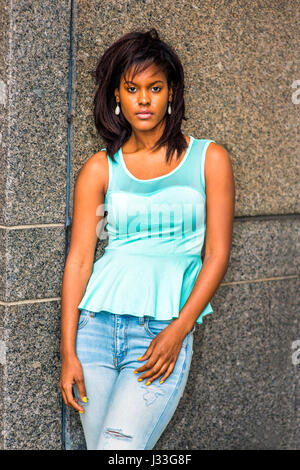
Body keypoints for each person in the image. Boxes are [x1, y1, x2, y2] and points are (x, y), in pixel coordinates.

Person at [59, 28, 235, 450]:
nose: (143, 99)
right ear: (116, 95)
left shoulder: (209, 159)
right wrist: (68, 352)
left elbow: (217, 254)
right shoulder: (100, 168)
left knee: (118, 450)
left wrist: (180, 329)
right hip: (95, 330)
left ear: (170, 92)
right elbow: (80, 260)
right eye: (132, 88)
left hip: (160, 332)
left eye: (154, 88)